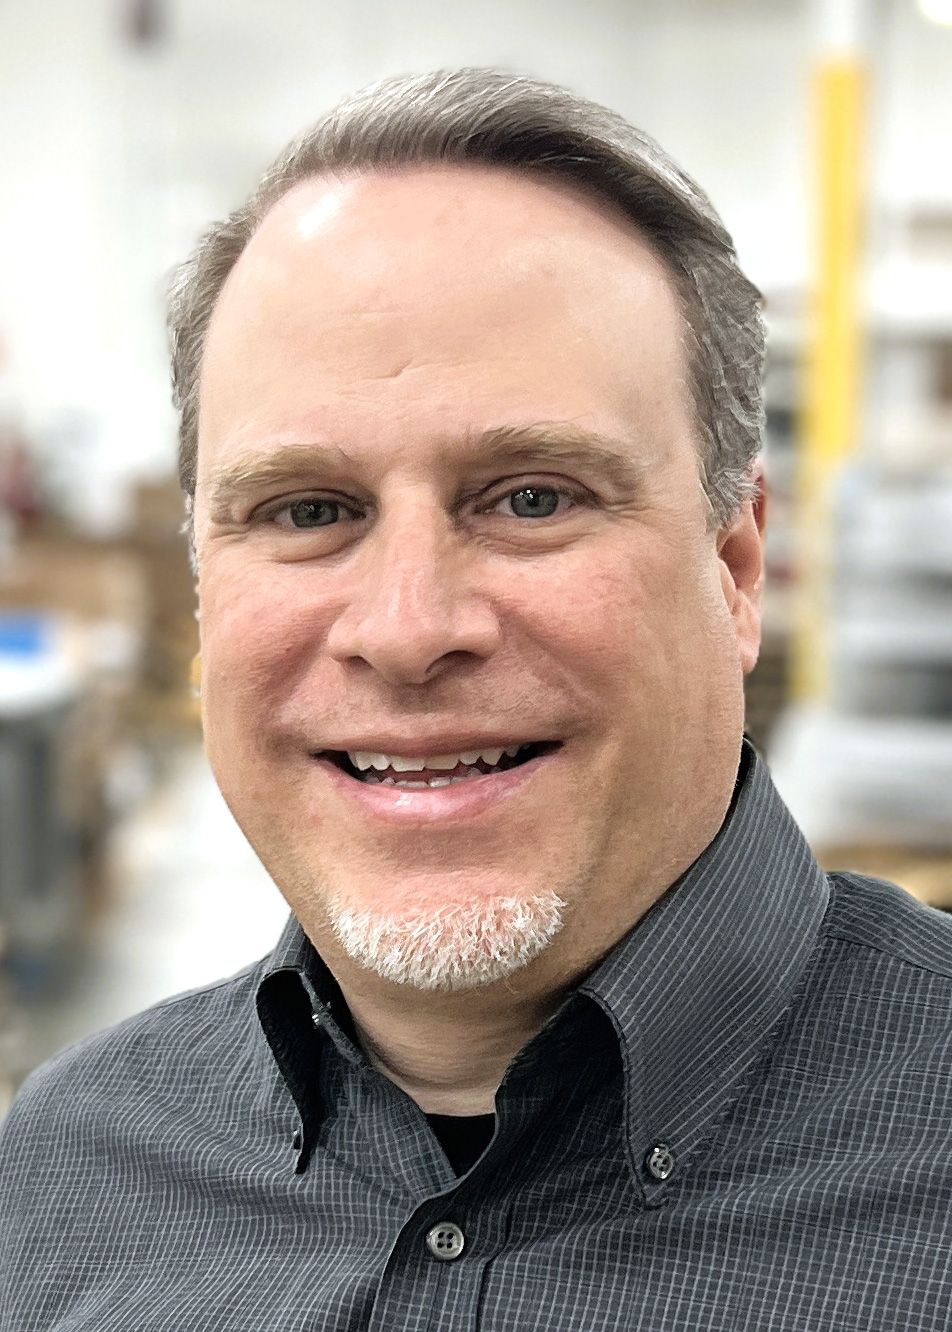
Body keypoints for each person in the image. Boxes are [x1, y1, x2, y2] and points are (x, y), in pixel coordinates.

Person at [2, 68, 951, 1332]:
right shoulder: (64, 1179)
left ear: (733, 567)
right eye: (307, 511)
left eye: (533, 497)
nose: (405, 631)